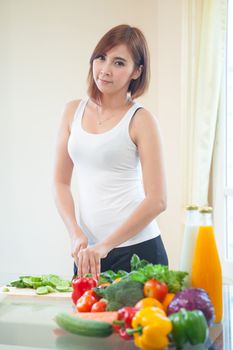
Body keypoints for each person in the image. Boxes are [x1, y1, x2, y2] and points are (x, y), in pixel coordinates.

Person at [53, 24, 168, 279]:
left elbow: (158, 200)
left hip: (138, 251)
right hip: (89, 254)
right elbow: (60, 182)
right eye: (101, 58)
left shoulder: (141, 120)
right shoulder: (72, 111)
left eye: (118, 63)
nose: (105, 70)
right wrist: (75, 234)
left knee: (135, 322)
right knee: (85, 319)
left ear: (136, 71)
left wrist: (107, 244)